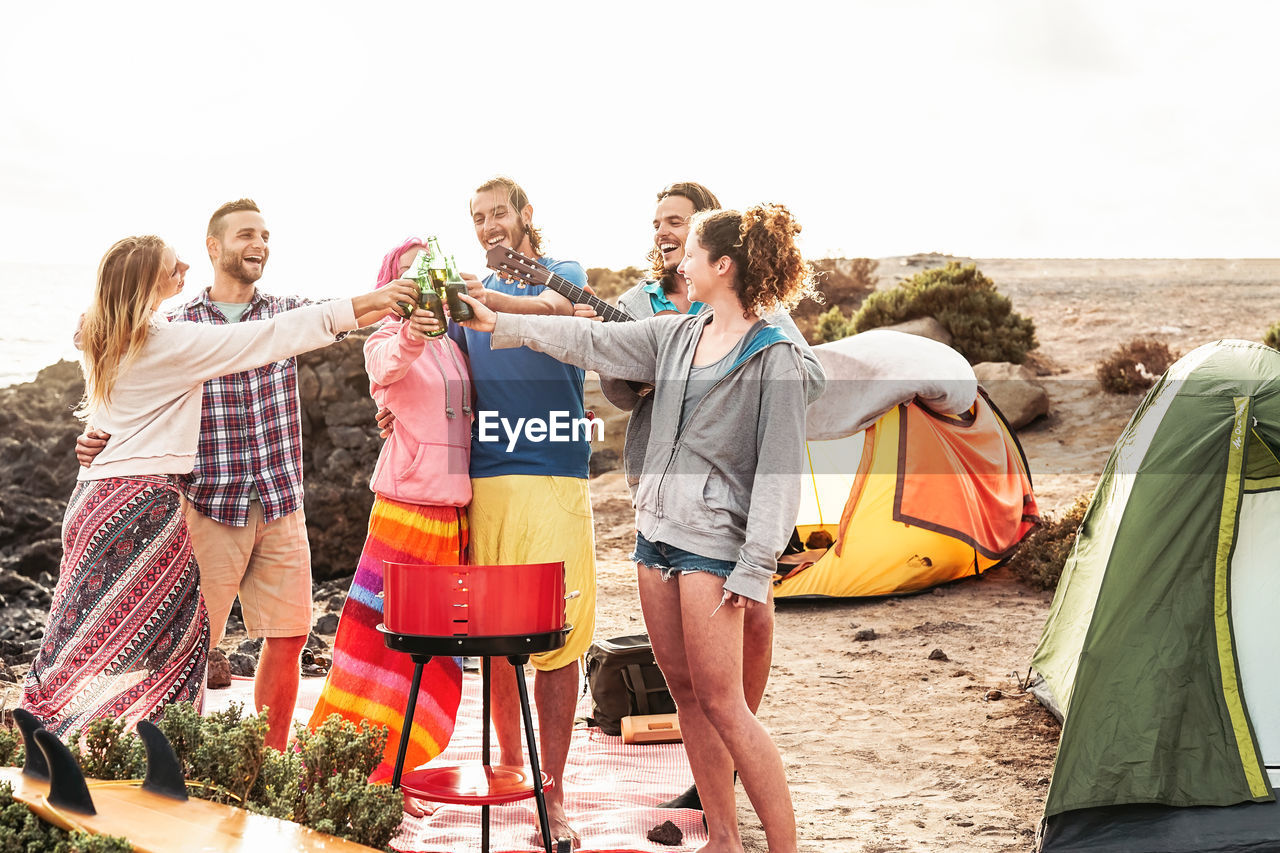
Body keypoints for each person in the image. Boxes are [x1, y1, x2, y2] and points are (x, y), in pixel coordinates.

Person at [458, 203, 824, 853]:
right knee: (685, 696)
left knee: (725, 706)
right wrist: (498, 321)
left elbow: (779, 472)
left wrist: (756, 564)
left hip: (715, 549)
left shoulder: (776, 356)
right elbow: (593, 341)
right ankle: (723, 837)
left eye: (693, 252)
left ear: (723, 265)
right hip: (656, 537)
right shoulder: (680, 334)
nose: (678, 260)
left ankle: (784, 848)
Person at [23, 235, 415, 739]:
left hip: (93, 500)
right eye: (172, 265)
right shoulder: (170, 341)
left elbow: (91, 340)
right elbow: (276, 335)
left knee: (83, 632)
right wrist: (375, 301)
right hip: (141, 504)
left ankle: (56, 726)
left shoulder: (104, 334)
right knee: (169, 640)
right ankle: (150, 749)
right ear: (146, 283)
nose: (185, 265)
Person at [76, 199, 347, 751]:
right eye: (247, 234)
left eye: (266, 235)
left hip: (280, 499)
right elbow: (118, 379)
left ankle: (265, 763)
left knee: (290, 636)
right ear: (213, 247)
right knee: (188, 644)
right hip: (206, 505)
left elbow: (339, 314)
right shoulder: (175, 325)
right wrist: (96, 437)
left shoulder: (284, 311)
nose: (260, 244)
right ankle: (184, 759)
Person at [602, 182, 824, 813]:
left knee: (737, 661)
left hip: (730, 514)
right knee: (692, 685)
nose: (663, 236)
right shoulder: (642, 302)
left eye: (676, 224)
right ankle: (716, 794)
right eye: (657, 224)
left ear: (715, 245)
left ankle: (730, 762)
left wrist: (733, 369)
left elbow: (807, 382)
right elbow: (612, 375)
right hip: (661, 499)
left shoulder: (763, 317)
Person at [450, 176, 597, 848]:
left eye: (499, 213)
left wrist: (482, 299)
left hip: (554, 477)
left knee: (559, 639)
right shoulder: (463, 299)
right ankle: (512, 771)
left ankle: (554, 791)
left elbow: (550, 310)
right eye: (478, 218)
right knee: (497, 641)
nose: (489, 227)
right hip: (484, 484)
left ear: (525, 215)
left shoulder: (561, 272)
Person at [307, 237, 472, 816]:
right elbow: (386, 366)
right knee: (377, 643)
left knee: (426, 652)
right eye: (406, 275)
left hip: (452, 513)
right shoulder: (387, 338)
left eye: (428, 271)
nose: (420, 283)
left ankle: (396, 768)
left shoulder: (456, 343)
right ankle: (349, 765)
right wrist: (409, 332)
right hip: (405, 509)